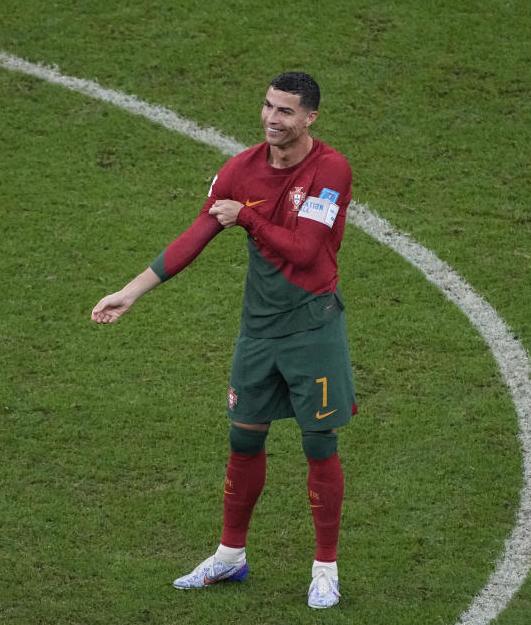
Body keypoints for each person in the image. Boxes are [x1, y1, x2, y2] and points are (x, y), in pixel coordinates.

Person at [91, 71, 356, 609]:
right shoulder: (240, 169)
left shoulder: (330, 170)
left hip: (312, 331)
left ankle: (324, 567)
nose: (271, 119)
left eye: (285, 111)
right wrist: (131, 291)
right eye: (267, 106)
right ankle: (230, 557)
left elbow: (305, 252)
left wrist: (247, 221)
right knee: (244, 439)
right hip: (258, 333)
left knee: (318, 444)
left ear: (310, 118)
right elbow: (195, 234)